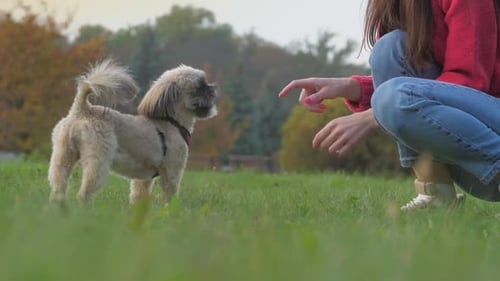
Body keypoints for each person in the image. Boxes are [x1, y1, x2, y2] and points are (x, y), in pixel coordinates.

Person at [278, 0, 500, 211]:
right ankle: (435, 193)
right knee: (390, 49)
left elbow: (470, 82)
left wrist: (373, 116)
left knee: (393, 91)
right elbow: (410, 88)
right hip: (475, 141)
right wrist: (350, 86)